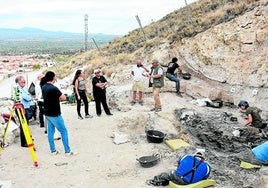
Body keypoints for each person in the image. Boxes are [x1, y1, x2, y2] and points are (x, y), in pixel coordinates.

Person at [42, 71, 76, 156]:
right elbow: (63, 98)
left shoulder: (44, 87)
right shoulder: (53, 88)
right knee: (63, 131)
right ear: (53, 77)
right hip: (55, 113)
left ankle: (53, 150)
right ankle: (67, 151)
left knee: (50, 132)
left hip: (47, 113)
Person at [147, 152, 211, 186]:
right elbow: (204, 178)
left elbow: (179, 166)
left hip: (176, 178)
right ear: (203, 159)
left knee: (167, 173)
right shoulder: (207, 167)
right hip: (189, 183)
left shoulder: (187, 156)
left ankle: (155, 181)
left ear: (194, 154)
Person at [15, 75, 34, 147]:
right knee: (23, 125)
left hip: (25, 108)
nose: (24, 83)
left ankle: (27, 138)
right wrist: (29, 97)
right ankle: (24, 142)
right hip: (21, 108)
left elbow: (28, 95)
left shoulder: (22, 89)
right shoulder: (18, 89)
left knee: (26, 124)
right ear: (19, 81)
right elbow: (27, 97)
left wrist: (29, 97)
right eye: (23, 82)